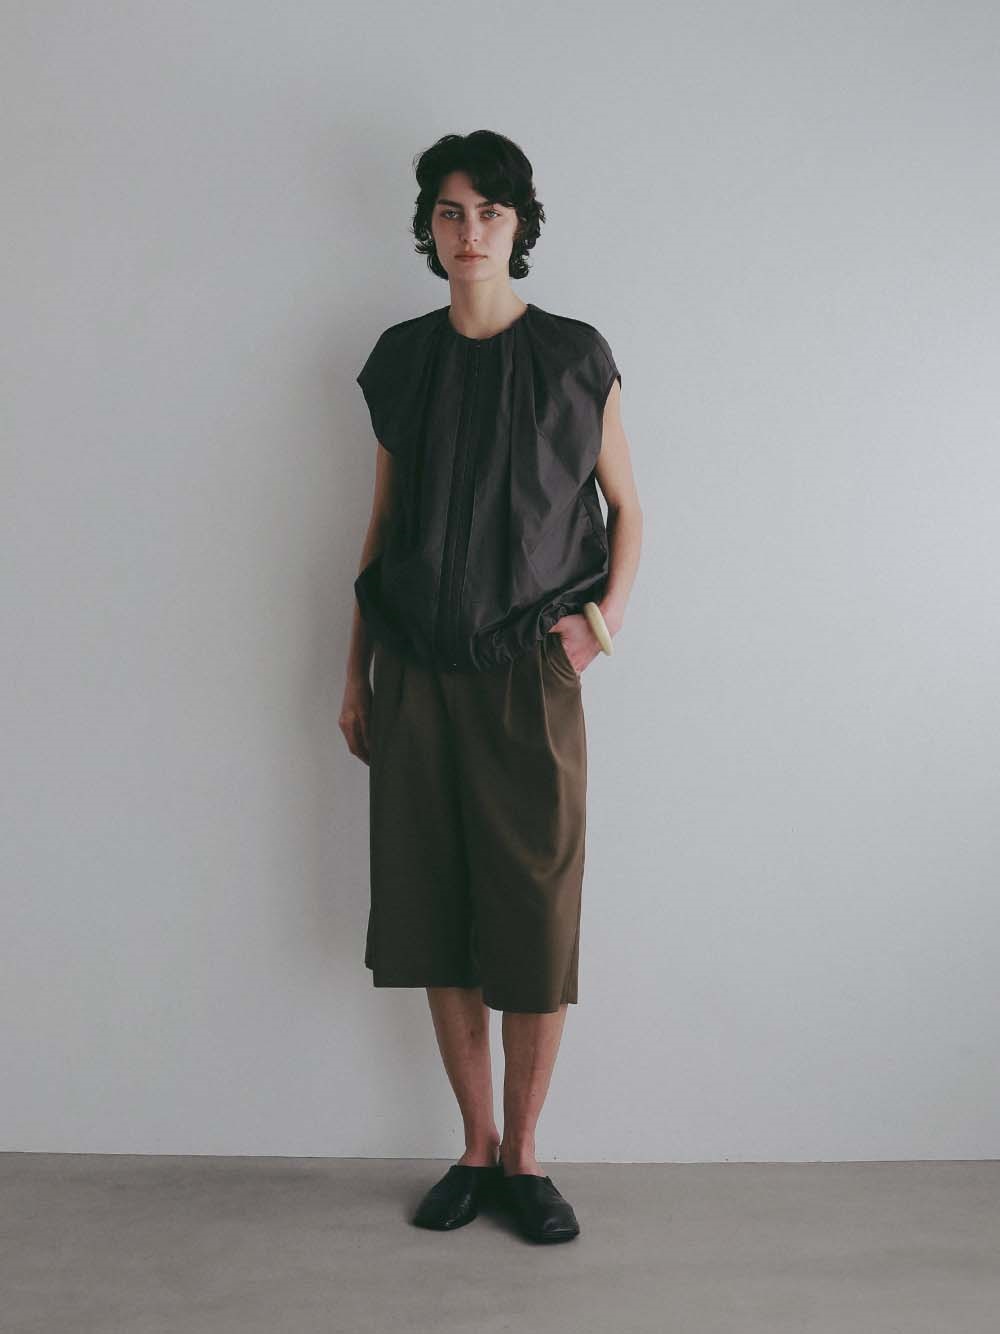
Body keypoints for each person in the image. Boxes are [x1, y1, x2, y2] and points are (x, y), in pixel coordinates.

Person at [340, 130, 642, 1243]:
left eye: (490, 212)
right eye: (451, 212)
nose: (470, 232)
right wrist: (356, 671)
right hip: (416, 669)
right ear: (428, 227)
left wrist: (594, 632)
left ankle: (526, 1155)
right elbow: (381, 526)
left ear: (521, 226)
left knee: (534, 916)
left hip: (529, 674)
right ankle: (472, 1147)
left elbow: (629, 508)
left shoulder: (572, 356)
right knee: (435, 907)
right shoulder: (401, 360)